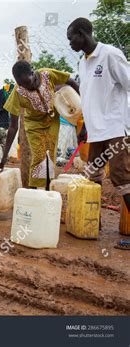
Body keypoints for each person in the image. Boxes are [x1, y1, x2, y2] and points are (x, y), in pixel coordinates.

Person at [67, 17, 130, 250]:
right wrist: (84, 126)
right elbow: (88, 96)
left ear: (82, 33)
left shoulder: (111, 54)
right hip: (95, 131)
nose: (70, 43)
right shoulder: (82, 63)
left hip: (114, 127)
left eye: (71, 37)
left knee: (121, 177)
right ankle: (93, 222)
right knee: (92, 176)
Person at [0, 61, 80, 188]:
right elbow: (13, 127)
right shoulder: (18, 92)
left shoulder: (47, 74)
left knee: (50, 156)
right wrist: (3, 157)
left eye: (27, 83)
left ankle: (47, 189)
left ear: (33, 73)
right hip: (34, 124)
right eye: (21, 84)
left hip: (52, 120)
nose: (25, 87)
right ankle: (34, 189)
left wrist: (81, 101)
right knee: (39, 156)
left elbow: (70, 81)